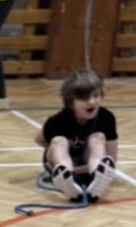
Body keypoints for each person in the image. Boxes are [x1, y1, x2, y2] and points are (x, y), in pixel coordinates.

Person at [33, 69, 118, 203]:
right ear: (71, 102)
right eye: (84, 98)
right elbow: (39, 139)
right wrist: (56, 153)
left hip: (87, 166)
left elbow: (111, 159)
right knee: (59, 141)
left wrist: (80, 169)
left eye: (96, 96)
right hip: (60, 164)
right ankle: (67, 177)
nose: (92, 102)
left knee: (98, 138)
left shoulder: (106, 118)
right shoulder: (57, 120)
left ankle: (96, 177)